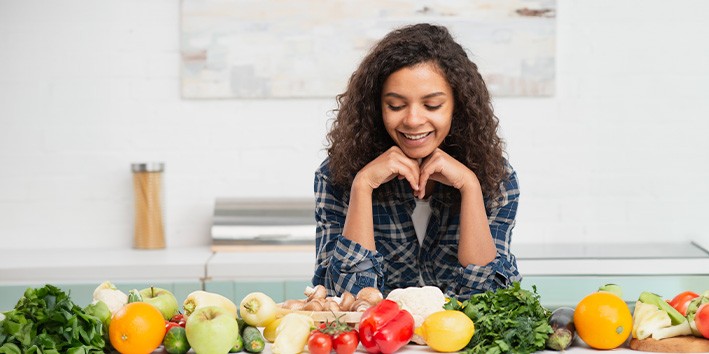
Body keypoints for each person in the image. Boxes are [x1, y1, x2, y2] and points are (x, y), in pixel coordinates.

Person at [312, 23, 521, 300]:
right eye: (396, 106)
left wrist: (469, 187)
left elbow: (492, 302)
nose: (412, 120)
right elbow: (344, 301)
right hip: (379, 342)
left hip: (453, 343)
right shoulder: (336, 176)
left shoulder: (497, 179)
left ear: (458, 106)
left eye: (432, 105)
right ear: (377, 108)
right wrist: (362, 186)